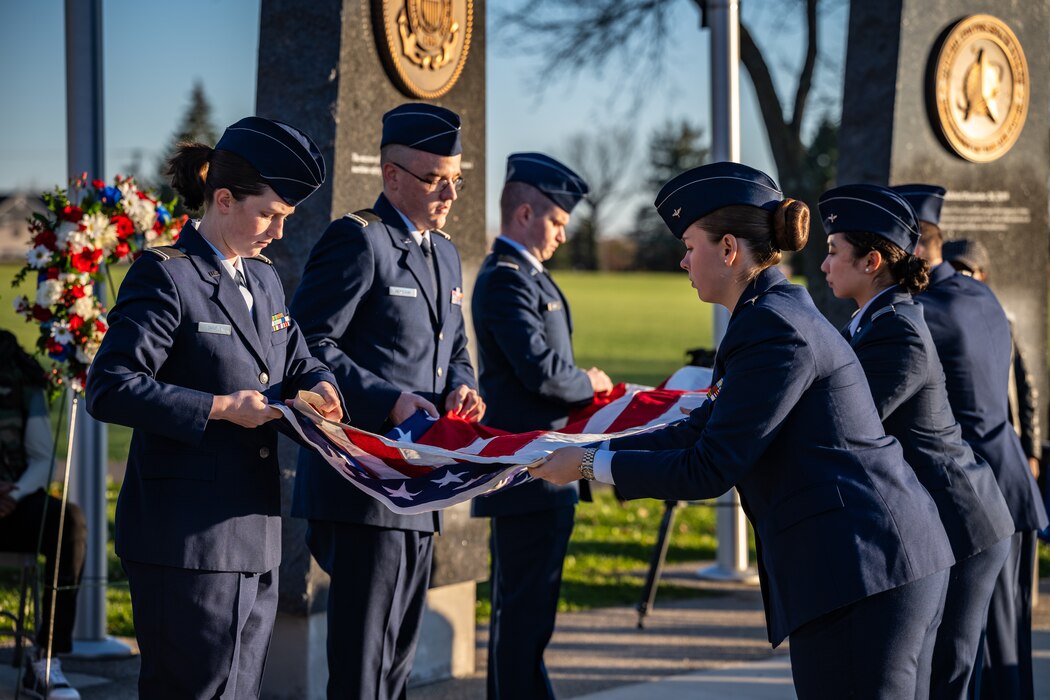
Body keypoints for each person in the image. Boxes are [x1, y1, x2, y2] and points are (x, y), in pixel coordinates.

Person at [531, 162, 955, 699]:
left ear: (729, 249)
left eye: (690, 244)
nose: (682, 260)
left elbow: (710, 465)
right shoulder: (770, 312)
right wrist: (590, 448)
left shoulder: (773, 326)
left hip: (865, 571)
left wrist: (589, 466)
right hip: (871, 564)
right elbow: (699, 428)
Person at [85, 116, 341, 699]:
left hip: (254, 533)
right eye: (269, 214)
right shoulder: (167, 275)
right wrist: (220, 407)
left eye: (286, 218)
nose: (278, 232)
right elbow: (110, 385)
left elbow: (300, 359)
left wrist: (323, 388)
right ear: (222, 199)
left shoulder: (265, 279)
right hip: (186, 541)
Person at [290, 102, 485, 700]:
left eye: (457, 176)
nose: (450, 192)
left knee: (398, 657)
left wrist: (462, 384)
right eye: (435, 178)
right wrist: (389, 401)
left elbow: (454, 348)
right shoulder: (358, 241)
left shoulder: (443, 251)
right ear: (391, 175)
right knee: (362, 663)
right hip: (364, 483)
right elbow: (307, 343)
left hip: (421, 485)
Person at [818, 185, 1015, 700]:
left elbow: (845, 423)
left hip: (964, 523)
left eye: (834, 250)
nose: (823, 265)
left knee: (943, 677)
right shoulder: (874, 320)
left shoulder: (897, 330)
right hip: (941, 521)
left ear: (872, 261)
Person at [896, 184, 1048, 700]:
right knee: (1008, 646)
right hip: (1009, 483)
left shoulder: (925, 314)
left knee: (979, 654)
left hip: (974, 492)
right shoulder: (979, 293)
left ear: (915, 249)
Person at [470, 152, 612, 699]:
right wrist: (592, 383)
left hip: (549, 467)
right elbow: (543, 373)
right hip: (529, 470)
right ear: (524, 213)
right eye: (556, 223)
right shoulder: (507, 280)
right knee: (523, 617)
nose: (560, 236)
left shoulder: (530, 277)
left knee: (527, 615)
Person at [0, 331, 86, 700]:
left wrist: (14, 493)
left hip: (10, 501)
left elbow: (39, 457)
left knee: (67, 522)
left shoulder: (15, 369)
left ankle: (47, 659)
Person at [942, 238, 1042, 482]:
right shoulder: (931, 323)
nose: (960, 277)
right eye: (953, 270)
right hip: (953, 448)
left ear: (982, 276)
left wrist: (1031, 451)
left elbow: (1025, 387)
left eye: (967, 271)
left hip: (1001, 447)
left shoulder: (1002, 326)